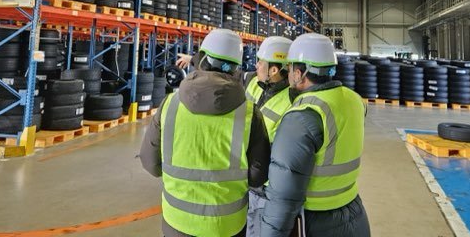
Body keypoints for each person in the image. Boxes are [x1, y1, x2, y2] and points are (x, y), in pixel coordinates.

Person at [140, 28, 271, 237]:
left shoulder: (170, 105)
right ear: (236, 68)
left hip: (177, 221)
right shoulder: (249, 113)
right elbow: (258, 176)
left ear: (202, 60)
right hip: (226, 225)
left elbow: (150, 163)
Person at [260, 33, 370, 237]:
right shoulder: (354, 100)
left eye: (290, 68)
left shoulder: (303, 116)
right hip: (354, 212)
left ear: (299, 73)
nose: (288, 74)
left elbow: (284, 196)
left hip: (315, 221)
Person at [245, 36, 293, 237]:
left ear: (273, 70)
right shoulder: (254, 83)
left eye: (260, 62)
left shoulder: (291, 102)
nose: (256, 65)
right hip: (245, 177)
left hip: (265, 188)